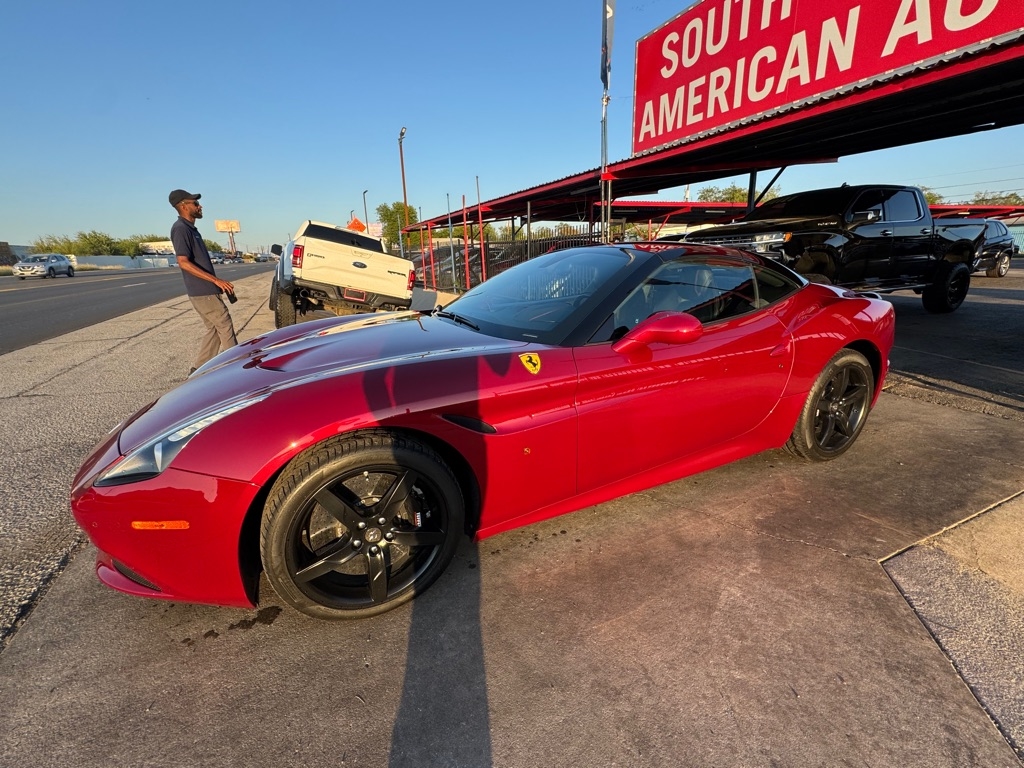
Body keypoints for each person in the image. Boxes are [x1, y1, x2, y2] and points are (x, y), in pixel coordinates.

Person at [168, 189, 237, 374]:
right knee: (224, 325)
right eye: (195, 203)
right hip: (202, 291)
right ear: (183, 206)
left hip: (206, 290)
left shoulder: (191, 229)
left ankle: (198, 370)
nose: (200, 206)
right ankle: (236, 368)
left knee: (214, 329)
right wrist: (215, 280)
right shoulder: (181, 229)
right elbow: (183, 262)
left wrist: (215, 284)